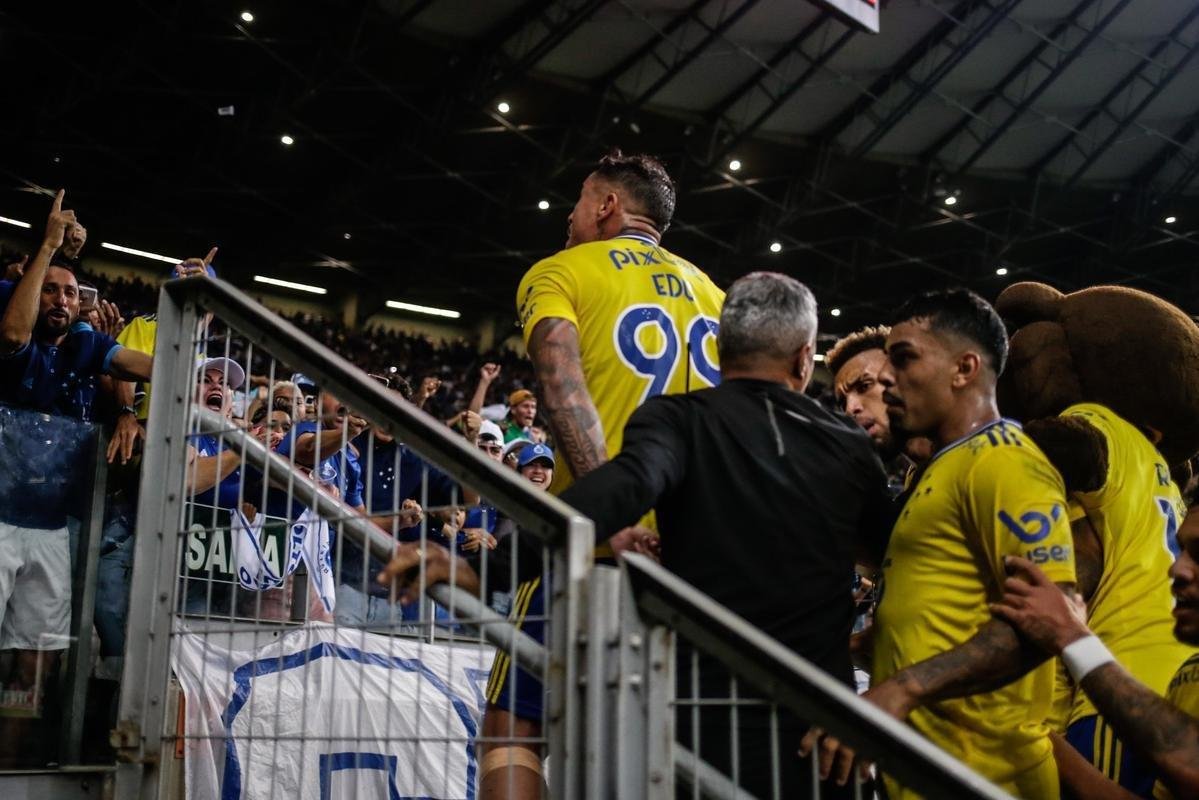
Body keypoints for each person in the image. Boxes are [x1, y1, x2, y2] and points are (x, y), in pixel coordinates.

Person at [539, 272, 884, 797]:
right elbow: (896, 554)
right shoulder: (849, 444)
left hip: (700, 723)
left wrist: (493, 561)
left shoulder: (676, 419)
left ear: (720, 350)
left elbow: (623, 486)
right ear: (803, 357)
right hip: (820, 731)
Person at [805, 290, 1079, 799]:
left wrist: (904, 687)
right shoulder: (941, 469)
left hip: (987, 774)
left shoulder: (1005, 462)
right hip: (924, 768)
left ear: (964, 368)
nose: (891, 383)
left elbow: (1050, 620)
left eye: (905, 359)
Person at [991, 502, 1199, 799]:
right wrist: (1033, 731)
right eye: (1182, 550)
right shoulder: (1191, 675)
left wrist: (1074, 638)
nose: (1176, 568)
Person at [0, 190, 152, 421]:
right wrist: (49, 246)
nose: (61, 300)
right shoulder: (23, 345)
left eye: (71, 293)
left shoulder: (88, 343)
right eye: (49, 290)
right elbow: (13, 335)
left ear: (79, 305)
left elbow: (149, 367)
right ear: (32, 298)